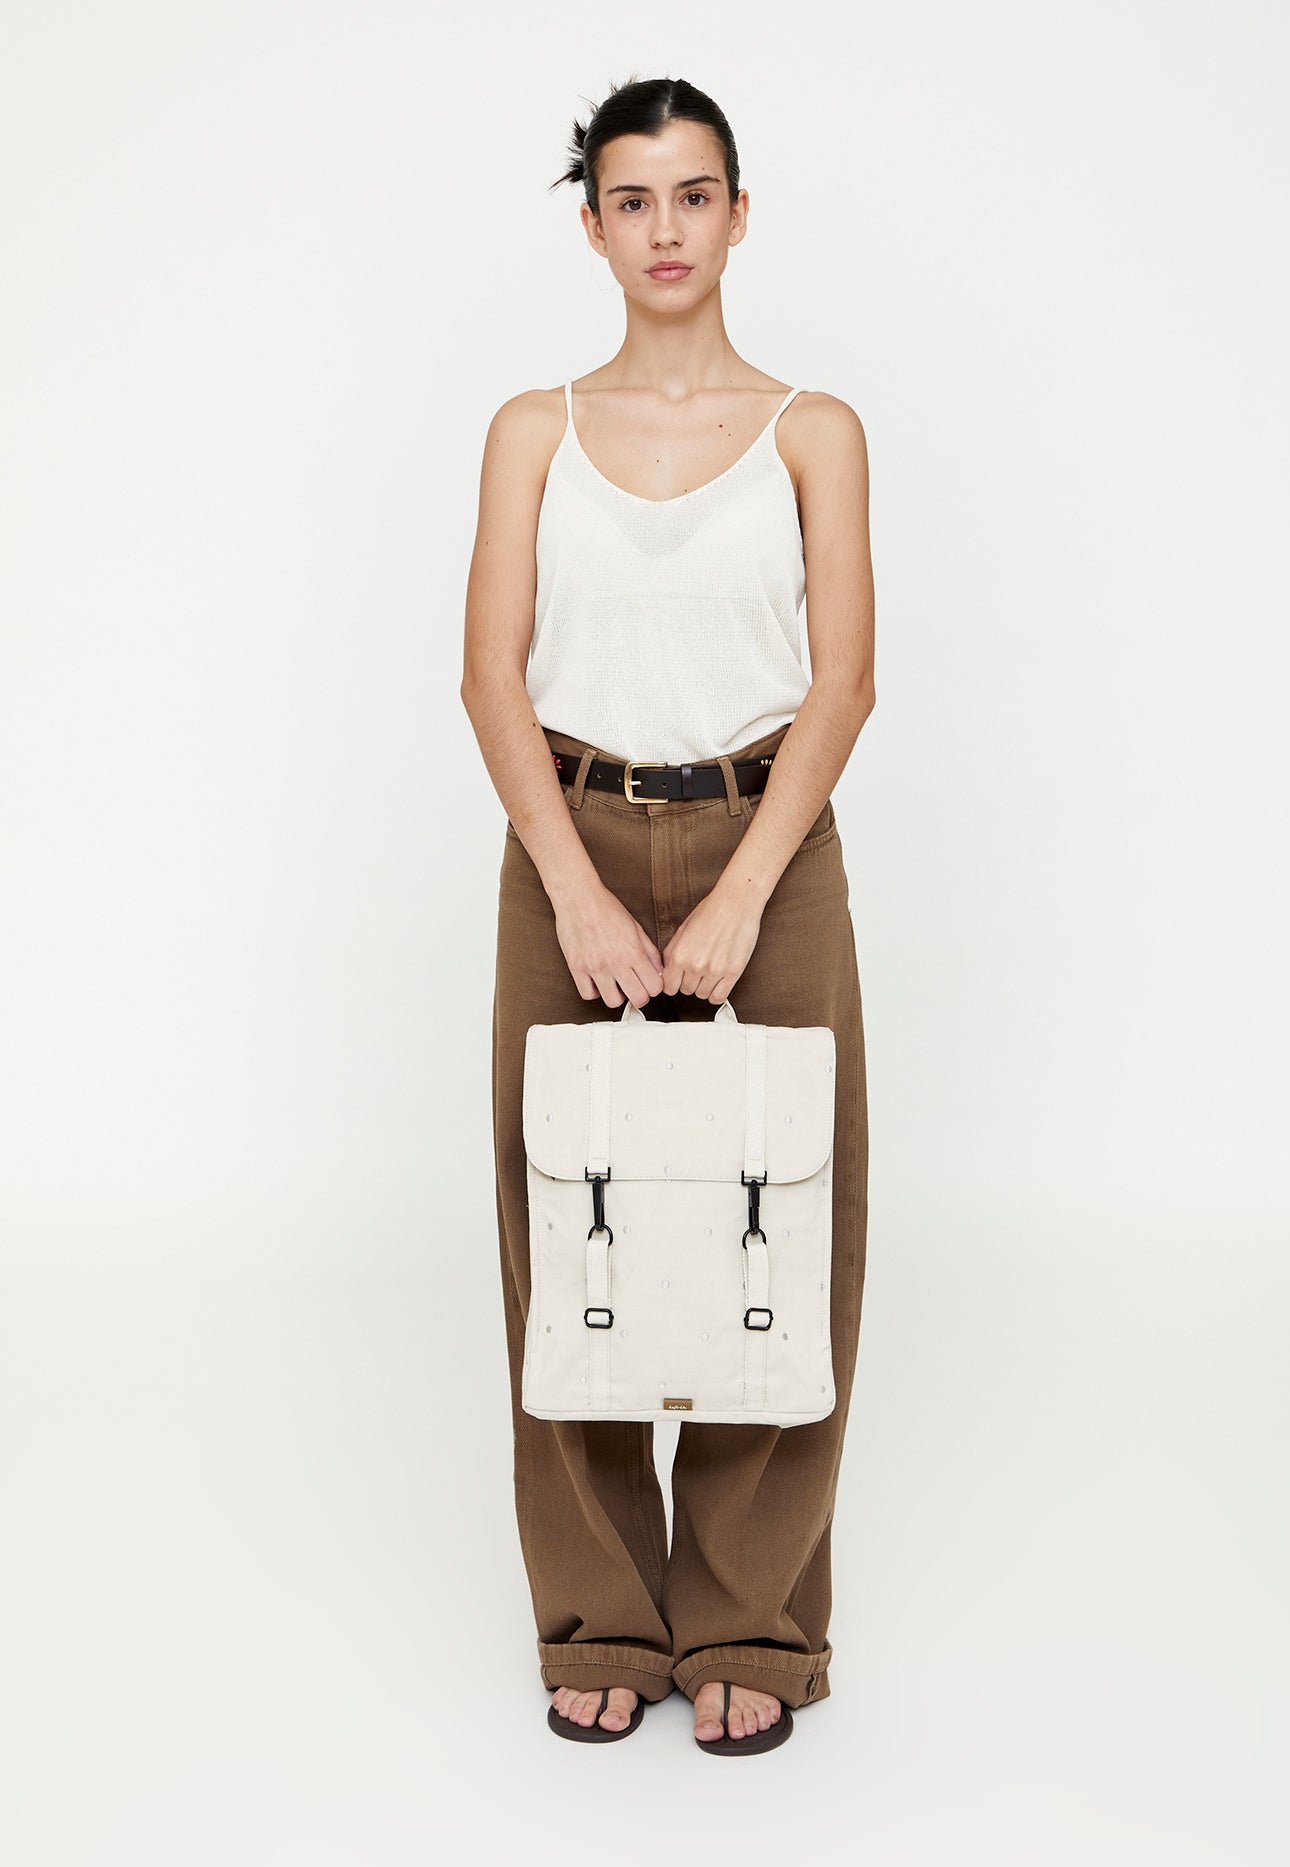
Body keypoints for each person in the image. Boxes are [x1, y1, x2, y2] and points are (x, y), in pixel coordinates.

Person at [461, 74, 875, 1755]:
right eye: (631, 200)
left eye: (692, 195)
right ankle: (601, 1618)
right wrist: (573, 889)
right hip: (566, 840)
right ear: (592, 226)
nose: (664, 229)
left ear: (738, 213)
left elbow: (841, 683)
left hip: (769, 842)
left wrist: (742, 893)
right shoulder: (532, 429)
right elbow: (490, 678)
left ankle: (750, 1624)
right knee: (566, 1218)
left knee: (785, 1209)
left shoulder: (813, 430)